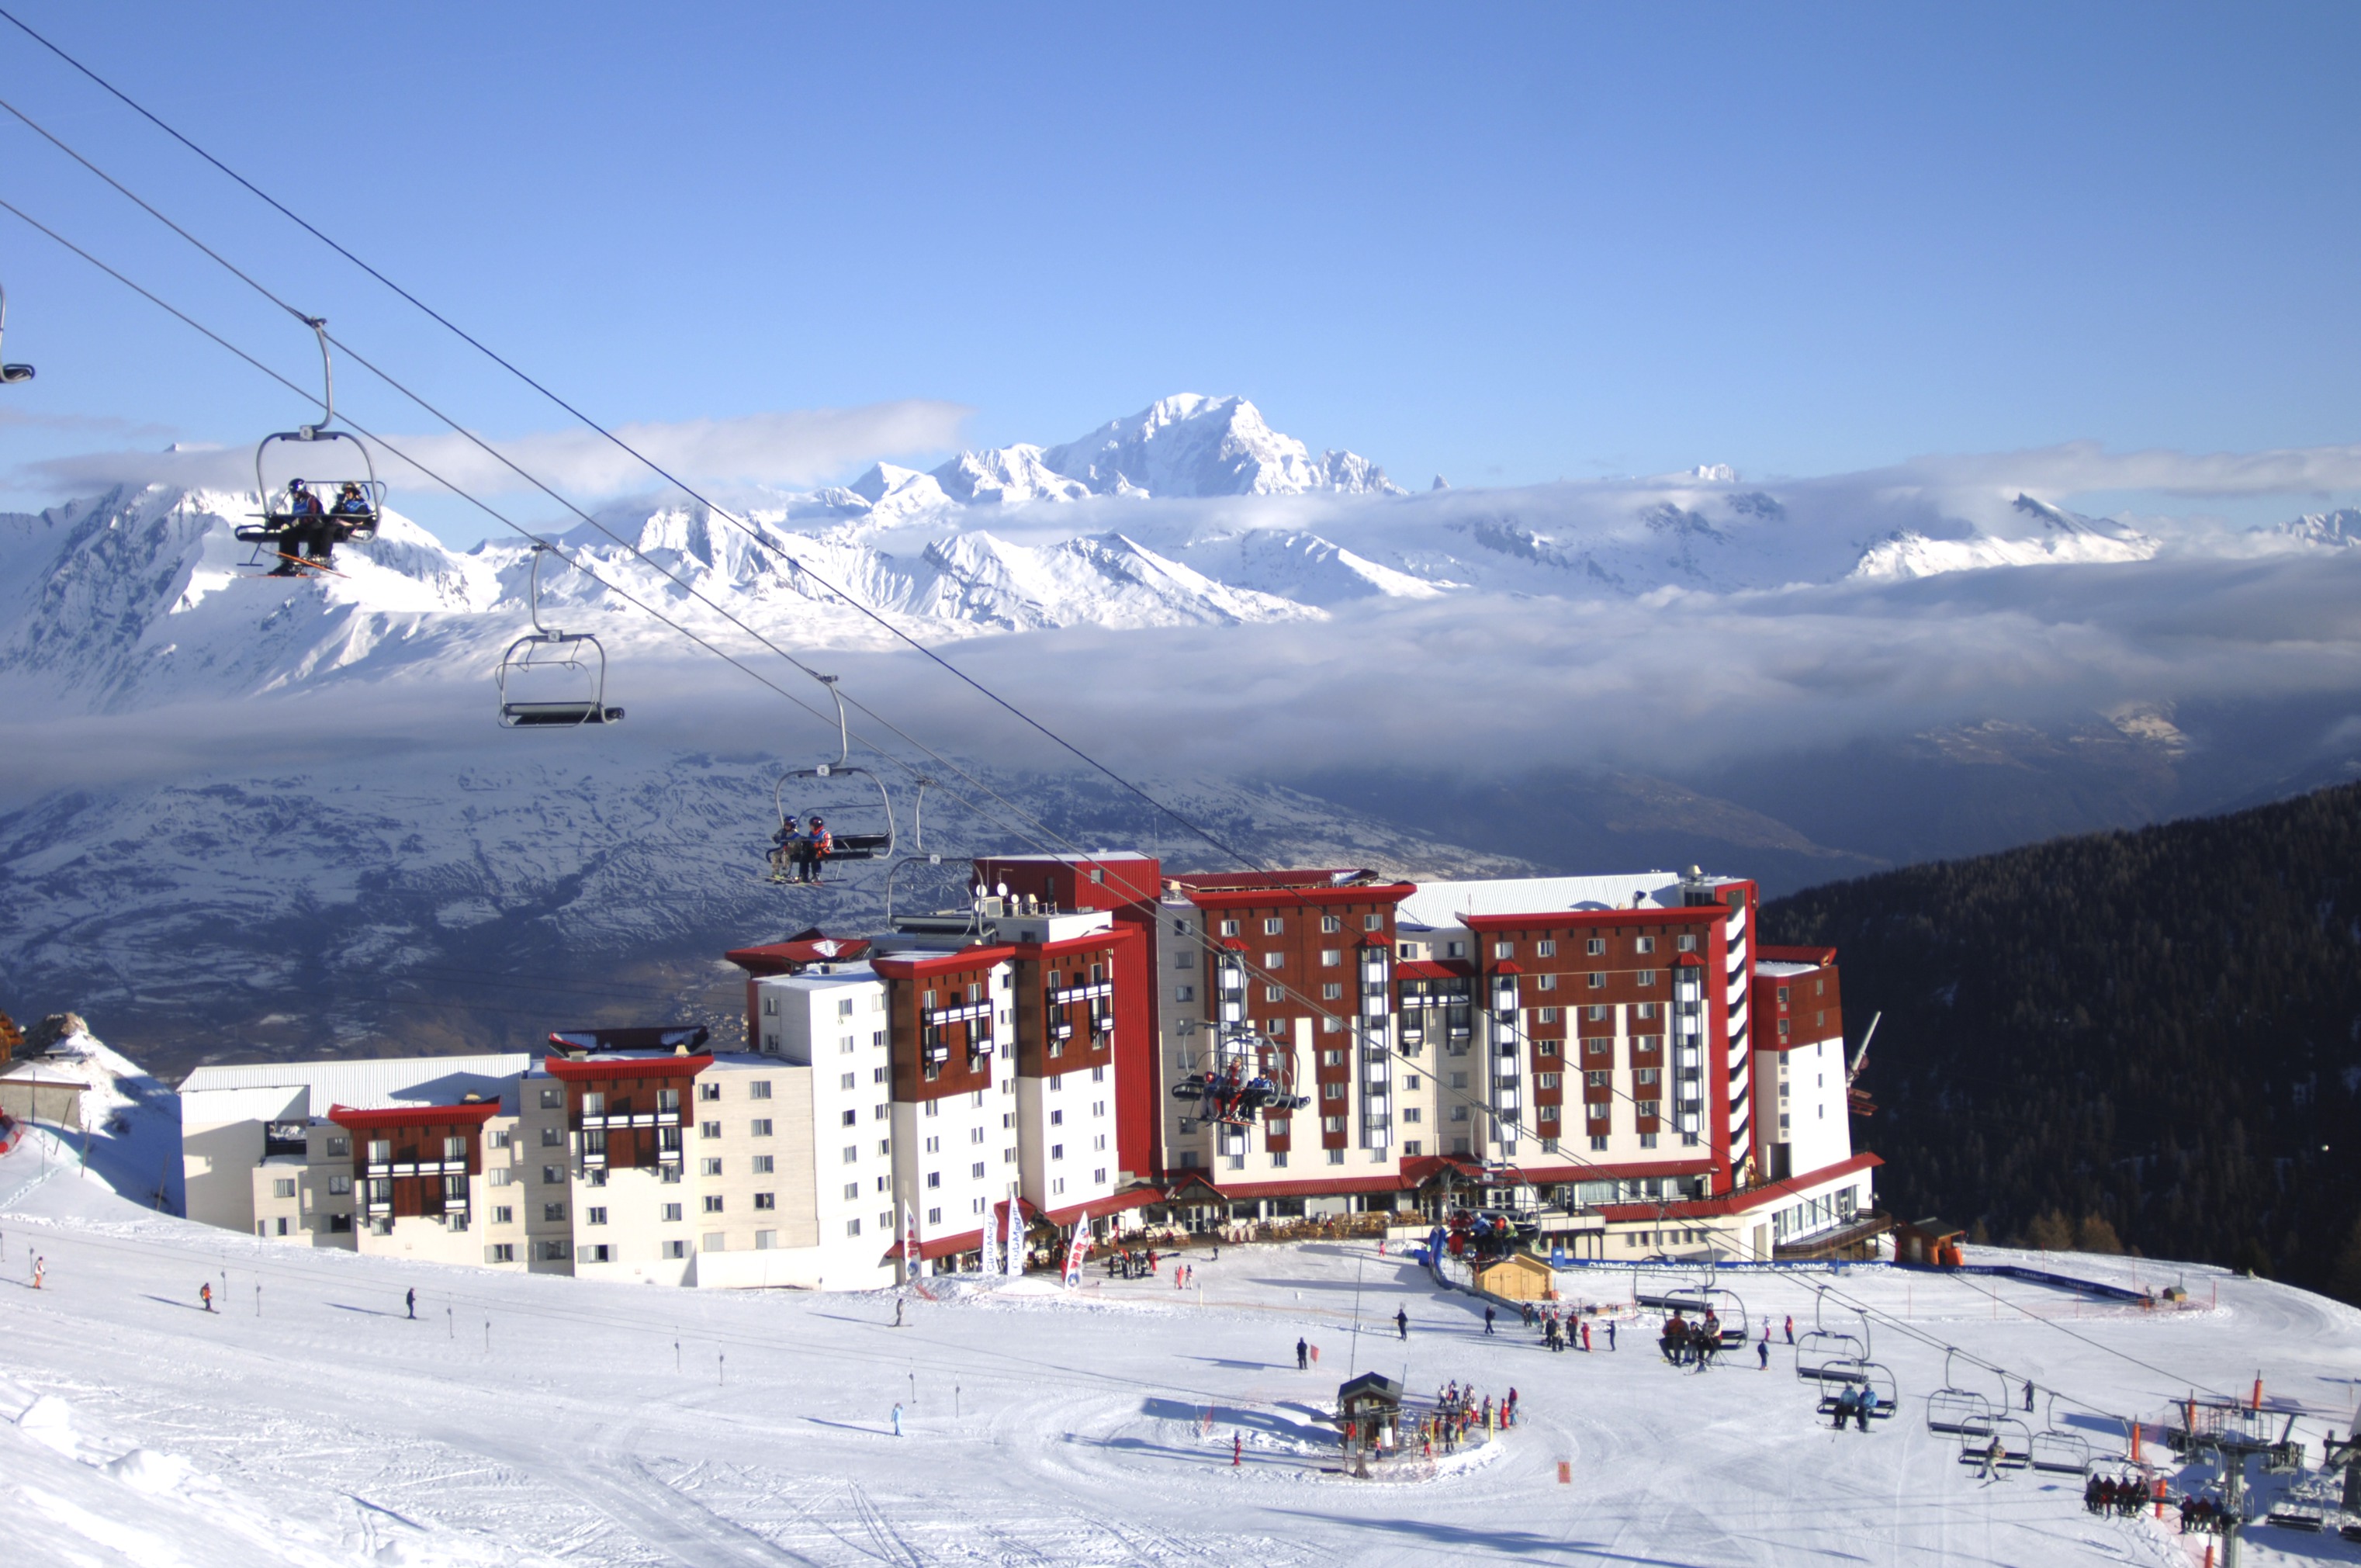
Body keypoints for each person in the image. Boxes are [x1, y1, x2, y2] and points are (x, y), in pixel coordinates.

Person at [804, 815, 834, 882]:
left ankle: (816, 875)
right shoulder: (811, 834)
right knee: (804, 857)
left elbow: (827, 844)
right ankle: (804, 874)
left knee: (815, 857)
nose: (810, 827)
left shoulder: (825, 834)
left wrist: (819, 845)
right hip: (814, 850)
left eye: (812, 826)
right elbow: (810, 842)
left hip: (824, 851)